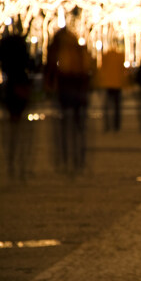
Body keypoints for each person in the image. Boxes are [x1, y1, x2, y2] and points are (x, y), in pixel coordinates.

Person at [45, 25, 92, 175]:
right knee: (79, 127)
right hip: (80, 89)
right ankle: (80, 158)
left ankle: (64, 158)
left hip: (64, 88)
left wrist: (49, 85)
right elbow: (88, 67)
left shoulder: (57, 47)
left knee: (64, 125)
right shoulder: (78, 47)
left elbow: (50, 68)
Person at [0, 23, 34, 180]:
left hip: (11, 87)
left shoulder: (6, 51)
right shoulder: (21, 51)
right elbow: (30, 65)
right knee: (22, 127)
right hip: (21, 86)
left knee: (13, 125)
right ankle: (21, 160)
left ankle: (12, 158)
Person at [96, 47, 127, 132]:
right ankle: (116, 126)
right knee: (117, 107)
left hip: (107, 83)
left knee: (107, 106)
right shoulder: (120, 56)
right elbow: (123, 70)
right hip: (117, 84)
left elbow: (101, 70)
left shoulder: (105, 56)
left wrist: (99, 82)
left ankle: (107, 125)